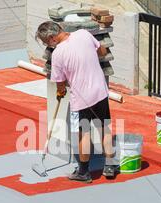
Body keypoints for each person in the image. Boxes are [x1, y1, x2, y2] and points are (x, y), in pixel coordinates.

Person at [35, 21, 117, 183]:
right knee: (104, 128)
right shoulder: (83, 34)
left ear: (52, 38)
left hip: (82, 99)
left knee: (83, 134)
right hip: (100, 91)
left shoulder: (58, 54)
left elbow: (59, 82)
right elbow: (101, 50)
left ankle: (84, 172)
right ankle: (109, 166)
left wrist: (61, 91)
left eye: (46, 42)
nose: (48, 45)